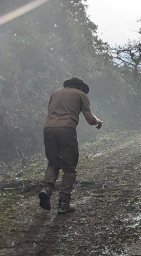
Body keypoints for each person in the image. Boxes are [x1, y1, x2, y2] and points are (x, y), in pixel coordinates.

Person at [38, 77, 103, 214]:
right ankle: (63, 203)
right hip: (66, 130)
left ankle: (46, 188)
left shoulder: (55, 94)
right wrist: (98, 121)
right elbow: (90, 119)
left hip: (48, 129)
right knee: (69, 168)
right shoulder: (80, 95)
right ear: (80, 87)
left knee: (53, 162)